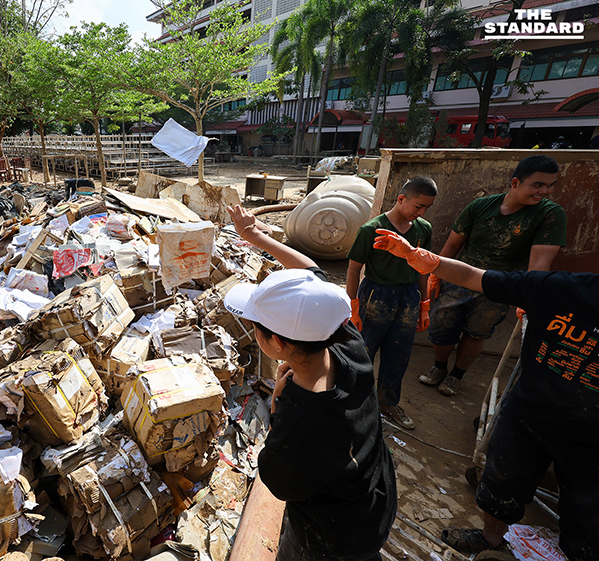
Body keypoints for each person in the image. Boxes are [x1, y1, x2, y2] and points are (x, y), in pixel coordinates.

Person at [372, 228, 599, 561]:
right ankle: (491, 539)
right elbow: (477, 277)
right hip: (528, 417)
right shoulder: (561, 289)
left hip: (592, 439)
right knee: (500, 485)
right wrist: (426, 261)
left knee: (587, 515)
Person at [224, 204, 397, 561]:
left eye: (256, 325)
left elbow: (279, 483)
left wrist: (276, 410)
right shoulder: (345, 340)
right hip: (373, 499)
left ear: (278, 344)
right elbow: (310, 275)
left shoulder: (300, 425)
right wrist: (253, 236)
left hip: (330, 539)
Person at [422, 155, 567, 396]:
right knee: (441, 326)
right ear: (515, 183)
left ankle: (456, 375)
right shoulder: (480, 206)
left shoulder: (550, 215)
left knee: (477, 332)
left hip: (499, 287)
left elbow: (540, 261)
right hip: (459, 278)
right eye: (538, 185)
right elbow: (452, 246)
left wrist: (529, 296)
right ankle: (439, 367)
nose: (546, 191)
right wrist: (435, 275)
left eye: (551, 185)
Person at [346, 176, 437, 429]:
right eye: (418, 206)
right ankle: (354, 404)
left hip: (408, 296)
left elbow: (422, 269)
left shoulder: (423, 229)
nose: (421, 213)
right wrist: (353, 306)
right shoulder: (371, 229)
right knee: (364, 350)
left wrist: (424, 303)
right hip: (376, 295)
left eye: (427, 208)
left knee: (399, 353)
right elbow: (354, 270)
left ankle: (387, 403)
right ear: (401, 199)